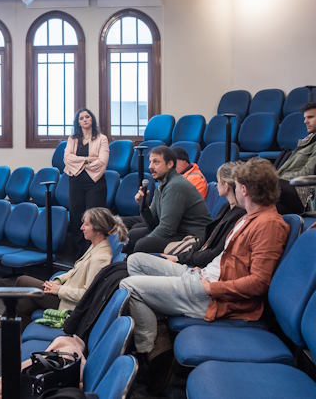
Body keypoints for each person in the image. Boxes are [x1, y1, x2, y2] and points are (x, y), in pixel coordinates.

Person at [119, 157, 287, 370]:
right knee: (136, 261)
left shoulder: (269, 224)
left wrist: (211, 286)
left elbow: (259, 283)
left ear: (243, 189)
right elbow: (227, 257)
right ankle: (159, 326)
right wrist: (203, 270)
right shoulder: (249, 218)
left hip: (213, 296)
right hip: (203, 277)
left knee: (129, 286)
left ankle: (151, 351)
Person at [0, 207, 127, 329]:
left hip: (69, 304)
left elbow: (87, 295)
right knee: (25, 302)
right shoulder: (96, 244)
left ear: (98, 229)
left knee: (23, 281)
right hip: (65, 290)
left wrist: (58, 289)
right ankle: (14, 330)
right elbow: (75, 270)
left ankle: (6, 319)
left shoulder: (100, 258)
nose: (81, 227)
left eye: (86, 224)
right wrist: (59, 280)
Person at [123, 146, 211, 254]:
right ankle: (125, 266)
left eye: (156, 162)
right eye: (150, 162)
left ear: (170, 164)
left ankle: (130, 266)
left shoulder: (175, 186)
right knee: (133, 235)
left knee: (142, 244)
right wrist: (143, 205)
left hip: (192, 237)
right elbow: (154, 222)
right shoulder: (162, 184)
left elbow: (167, 229)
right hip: (178, 231)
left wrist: (145, 240)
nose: (150, 167)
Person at [161, 162, 246, 268]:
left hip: (204, 267)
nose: (216, 184)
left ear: (226, 186)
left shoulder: (239, 215)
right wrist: (181, 257)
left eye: (218, 181)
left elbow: (215, 253)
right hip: (197, 258)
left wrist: (181, 259)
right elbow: (206, 240)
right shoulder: (227, 207)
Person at [63, 108, 110, 254]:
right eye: (81, 118)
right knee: (77, 217)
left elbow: (102, 162)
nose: (84, 119)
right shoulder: (73, 139)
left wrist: (78, 162)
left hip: (95, 182)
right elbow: (66, 158)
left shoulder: (102, 138)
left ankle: (94, 252)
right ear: (78, 122)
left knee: (93, 218)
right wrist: (88, 160)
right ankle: (79, 253)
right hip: (76, 181)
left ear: (92, 119)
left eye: (87, 117)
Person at [276, 102, 316, 211]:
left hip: (305, 193)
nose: (305, 121)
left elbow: (307, 172)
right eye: (305, 118)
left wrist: (276, 179)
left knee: (267, 187)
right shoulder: (305, 142)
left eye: (311, 117)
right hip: (288, 187)